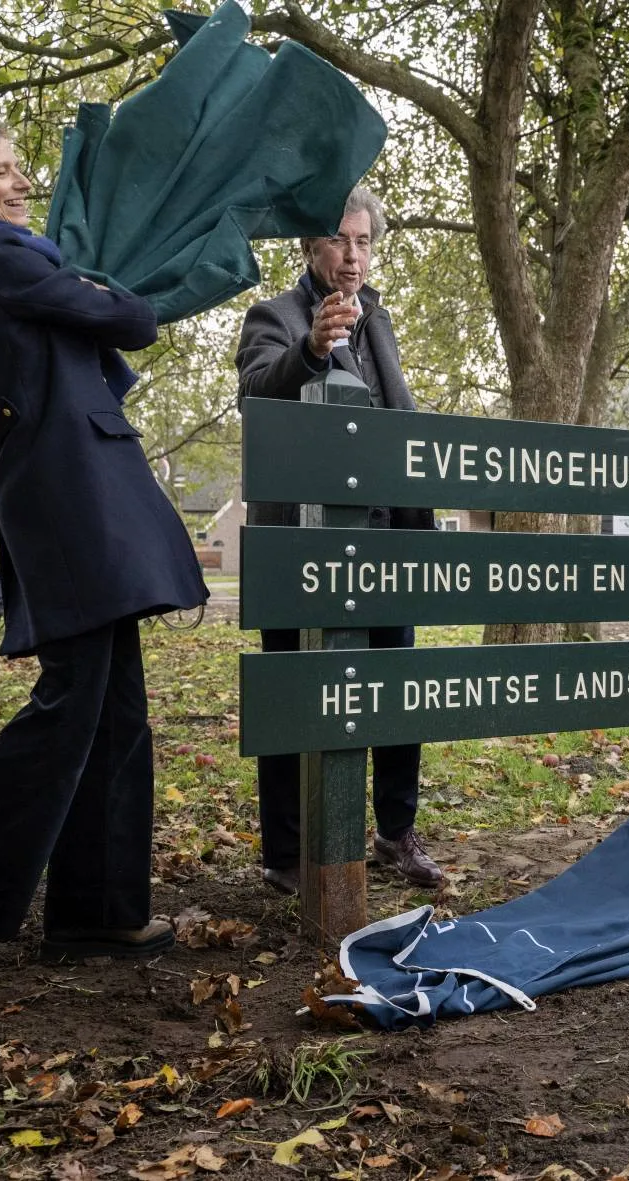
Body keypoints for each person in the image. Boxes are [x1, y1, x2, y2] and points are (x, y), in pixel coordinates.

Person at [0, 112, 208, 996]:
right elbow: (129, 319)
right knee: (71, 703)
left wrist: (103, 291)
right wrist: (117, 291)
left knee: (115, 708)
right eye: (3, 170)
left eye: (23, 168)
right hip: (69, 499)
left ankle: (98, 907)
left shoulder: (0, 256)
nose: (24, 183)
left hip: (78, 490)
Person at [235, 187, 442, 891]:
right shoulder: (274, 316)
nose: (352, 257)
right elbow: (259, 393)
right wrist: (311, 347)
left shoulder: (379, 316)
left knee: (398, 690)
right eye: (338, 241)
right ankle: (287, 855)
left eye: (363, 243)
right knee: (299, 692)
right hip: (304, 549)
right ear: (308, 247)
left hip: (387, 542)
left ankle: (395, 833)